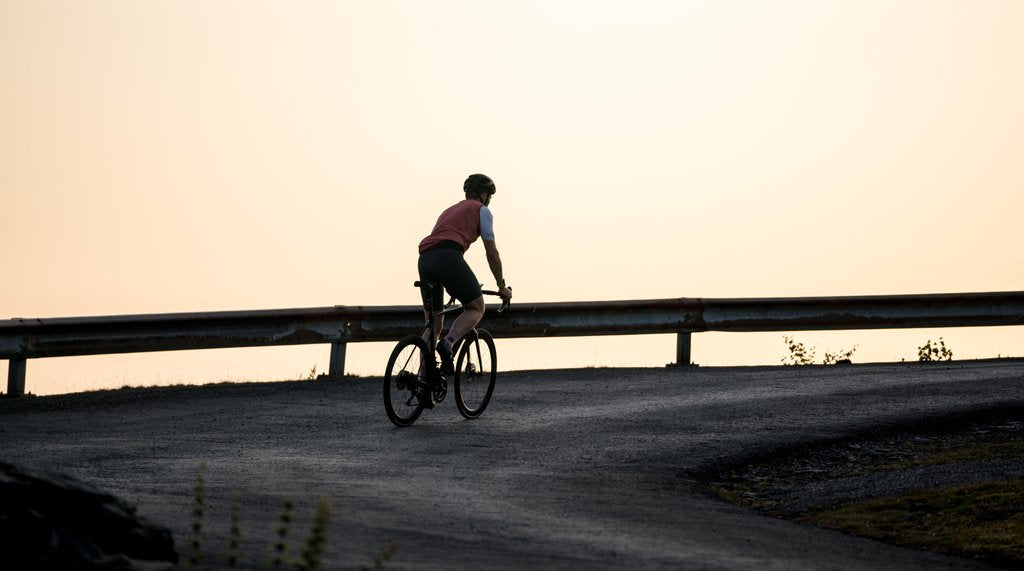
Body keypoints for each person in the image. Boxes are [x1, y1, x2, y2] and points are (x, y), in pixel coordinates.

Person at [418, 174, 512, 379]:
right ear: (484, 194)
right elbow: (491, 252)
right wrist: (501, 285)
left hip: (425, 259)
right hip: (448, 256)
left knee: (433, 324)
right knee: (476, 307)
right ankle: (449, 343)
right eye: (489, 195)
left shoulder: (448, 211)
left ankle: (422, 380)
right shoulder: (482, 211)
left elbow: (440, 240)